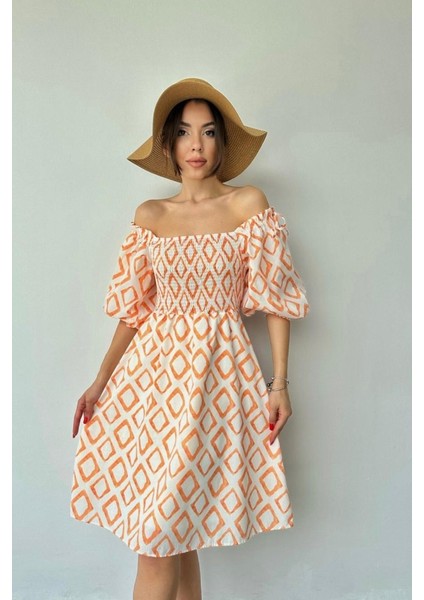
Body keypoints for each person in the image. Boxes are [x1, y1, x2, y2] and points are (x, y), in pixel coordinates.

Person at [70, 78, 310, 600]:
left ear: (221, 142)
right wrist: (100, 380)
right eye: (183, 133)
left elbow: (276, 300)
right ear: (168, 146)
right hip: (150, 388)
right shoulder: (151, 216)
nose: (196, 145)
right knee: (167, 536)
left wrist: (280, 384)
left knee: (171, 533)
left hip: (216, 386)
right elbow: (134, 313)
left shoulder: (249, 205)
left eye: (207, 132)